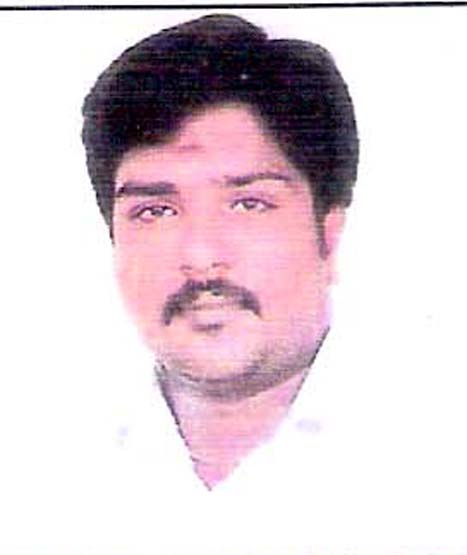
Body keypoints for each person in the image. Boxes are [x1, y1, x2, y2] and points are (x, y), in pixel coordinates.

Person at [82, 13, 358, 489]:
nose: (201, 257)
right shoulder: (39, 461)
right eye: (156, 212)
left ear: (329, 237)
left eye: (248, 204)